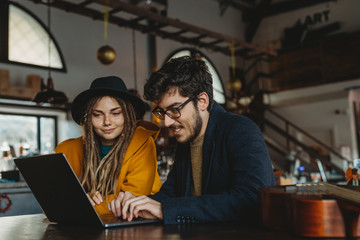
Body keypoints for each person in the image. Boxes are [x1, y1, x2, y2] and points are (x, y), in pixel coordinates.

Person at [109, 56, 275, 224]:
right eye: (162, 112)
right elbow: (170, 194)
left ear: (202, 101)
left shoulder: (241, 129)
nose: (167, 122)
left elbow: (250, 198)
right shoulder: (187, 139)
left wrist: (163, 209)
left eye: (174, 110)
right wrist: (136, 204)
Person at [55, 76, 161, 216]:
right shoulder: (68, 150)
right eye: (98, 115)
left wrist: (80, 205)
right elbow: (53, 202)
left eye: (116, 113)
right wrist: (80, 202)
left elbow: (131, 200)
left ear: (128, 114)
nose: (107, 122)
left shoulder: (143, 143)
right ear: (88, 118)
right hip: (85, 229)